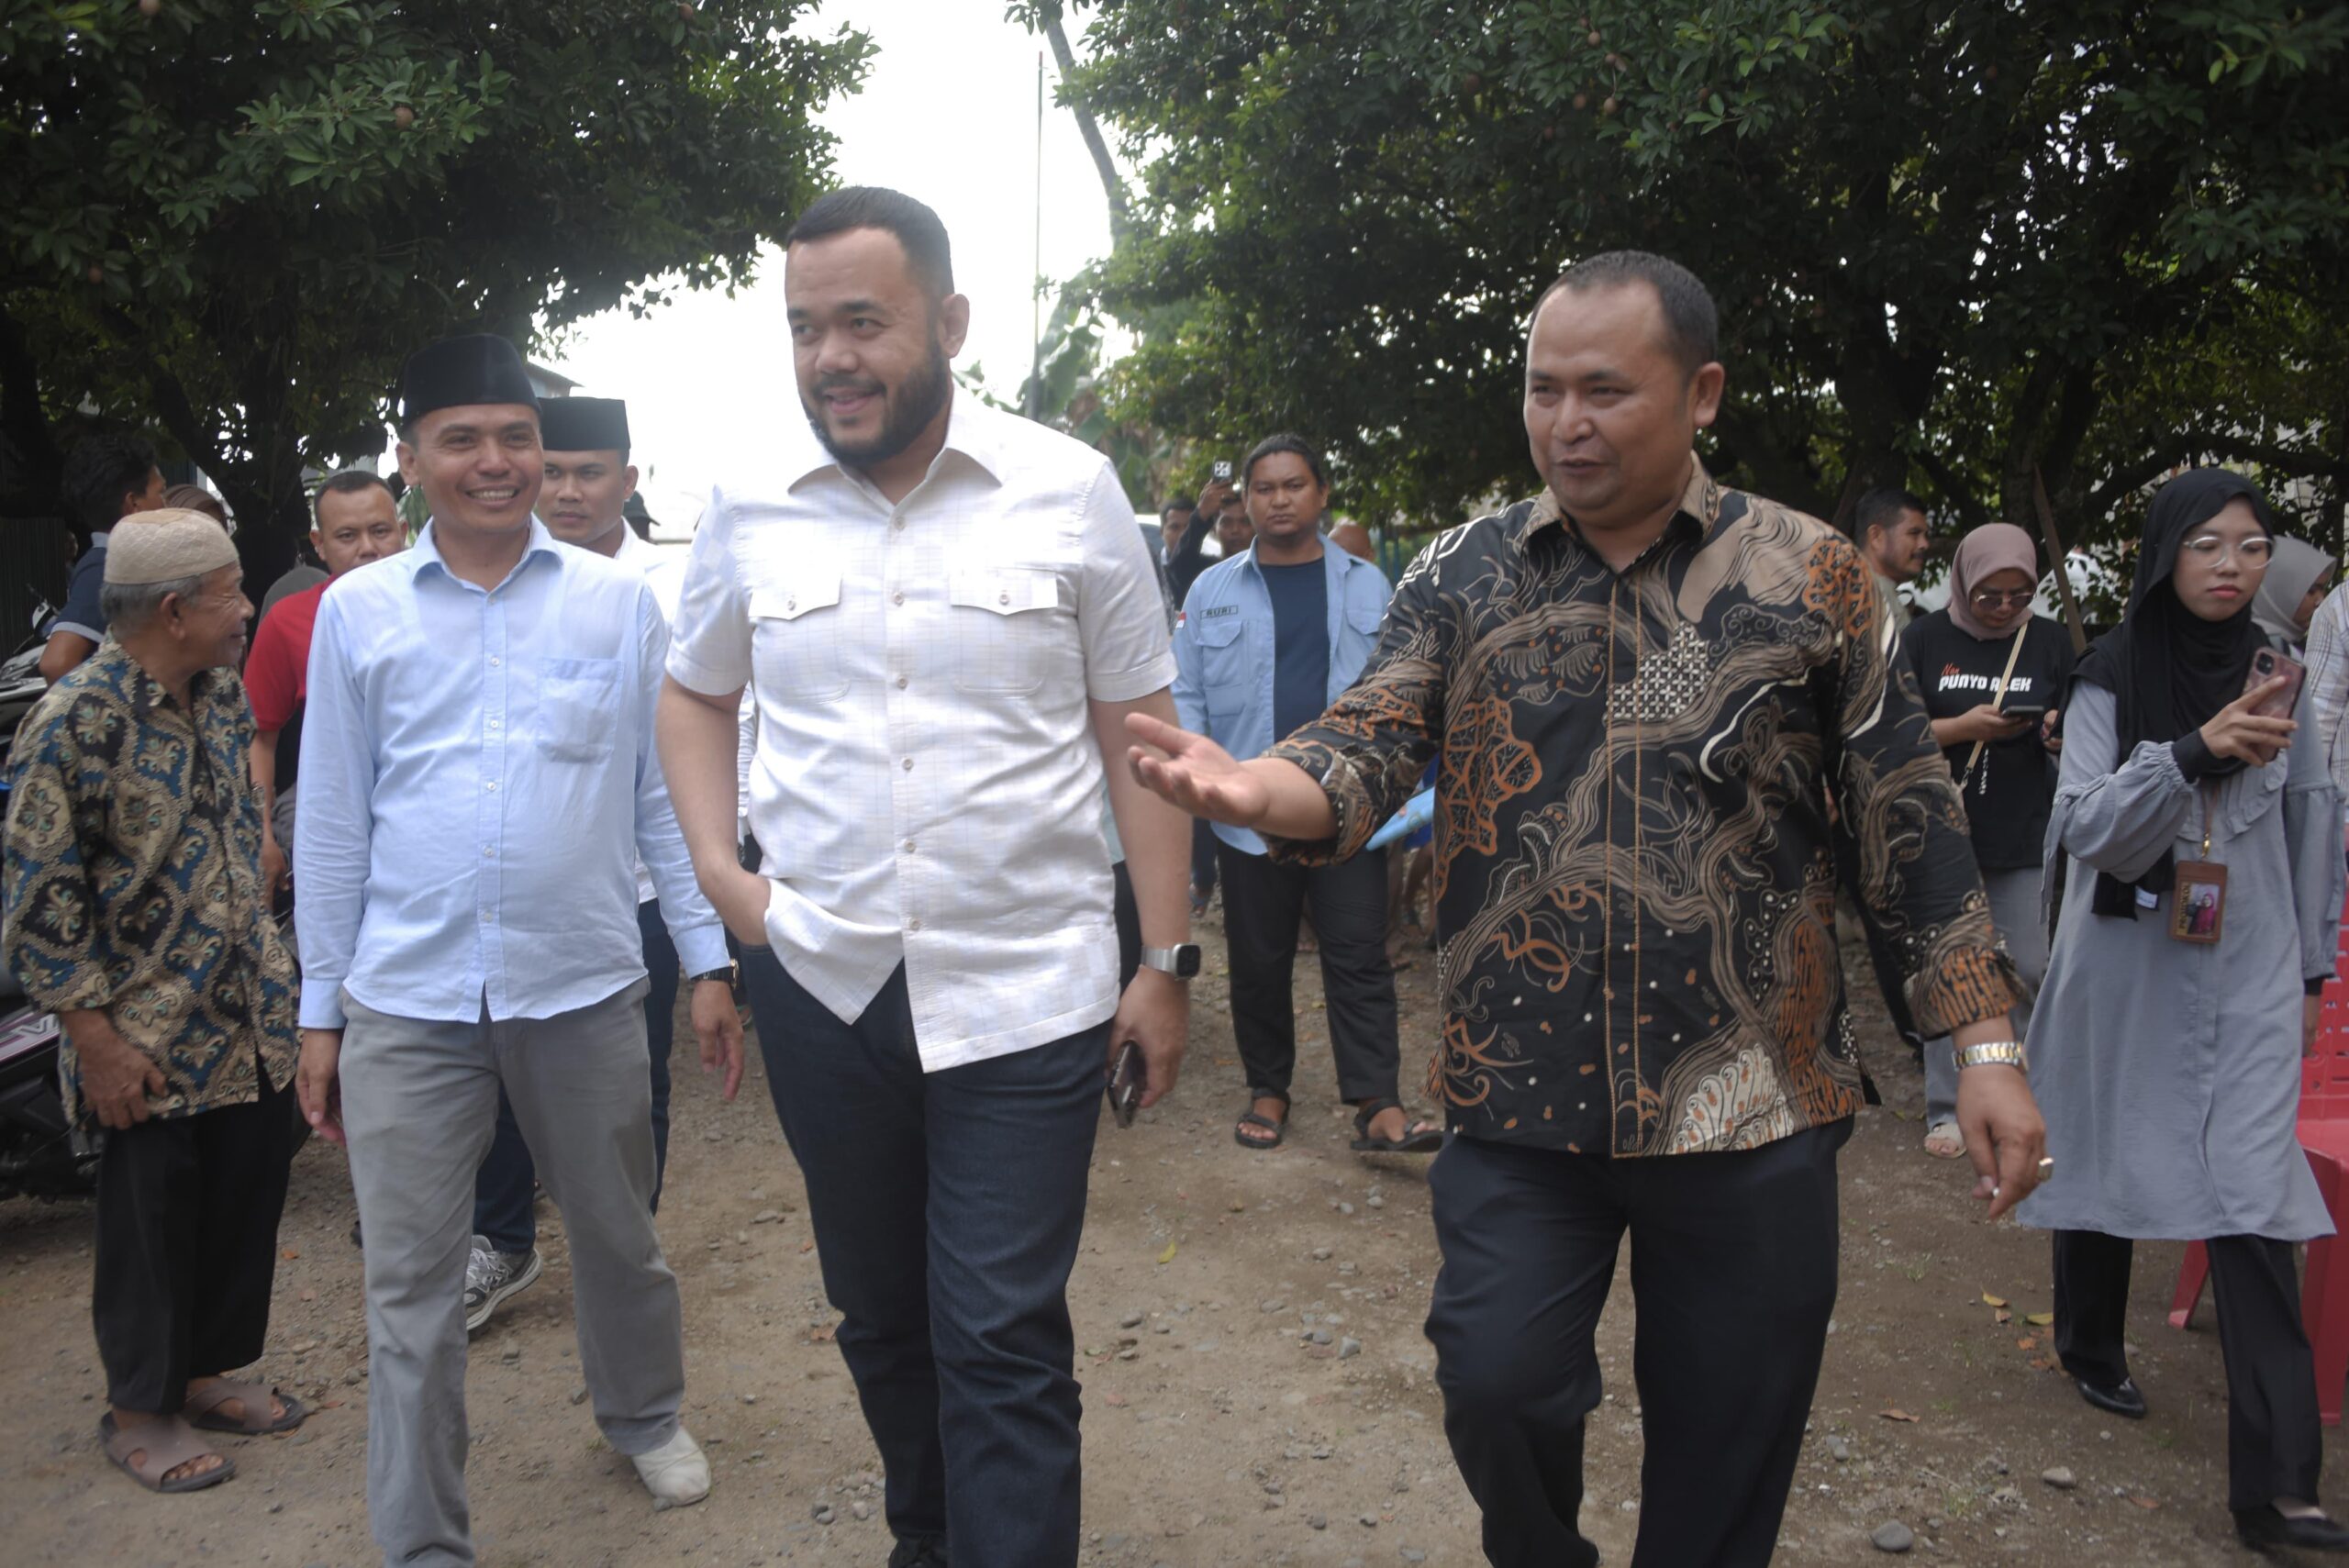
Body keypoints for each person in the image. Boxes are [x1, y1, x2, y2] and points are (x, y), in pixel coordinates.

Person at [1124, 250, 2047, 1568]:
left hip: (1752, 1097)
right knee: (1496, 1382)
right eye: (1545, 389)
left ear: (1703, 391)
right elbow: (1369, 737)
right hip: (1518, 1095)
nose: (1568, 421)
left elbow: (1910, 818)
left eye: (1606, 390)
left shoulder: (1814, 574)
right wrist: (1260, 788)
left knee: (1730, 1442)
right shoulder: (1463, 571)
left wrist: (1988, 1049)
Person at [657, 186, 1194, 1568]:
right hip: (824, 985)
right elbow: (695, 694)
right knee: (882, 1317)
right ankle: (928, 1536)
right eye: (803, 328)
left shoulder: (1066, 490)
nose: (831, 355)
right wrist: (724, 877)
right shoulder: (747, 506)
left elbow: (1140, 740)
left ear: (947, 322)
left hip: (1027, 993)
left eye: (862, 320)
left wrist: (1165, 960)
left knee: (1002, 1330)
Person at [292, 334, 740, 1562]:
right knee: (412, 1289)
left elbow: (664, 794)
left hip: (584, 979)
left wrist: (704, 957)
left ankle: (643, 1412)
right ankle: (423, 1536)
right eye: (463, 439)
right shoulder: (356, 613)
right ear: (412, 459)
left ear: (544, 455)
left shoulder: (615, 605)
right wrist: (318, 1013)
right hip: (406, 997)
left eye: (515, 437)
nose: (495, 462)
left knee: (617, 1233)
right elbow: (332, 814)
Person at [2018, 469, 2349, 1555]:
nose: (2229, 566)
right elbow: (2084, 828)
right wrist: (2196, 750)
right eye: (2206, 544)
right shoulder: (2109, 673)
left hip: (2247, 964)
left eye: (2250, 548)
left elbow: (2308, 827)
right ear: (2166, 553)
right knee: (2106, 1145)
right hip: (2128, 960)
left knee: (2253, 1199)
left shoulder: (2281, 676)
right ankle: (2089, 1339)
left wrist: (2306, 976)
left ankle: (2280, 1489)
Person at [3, 511, 306, 1495]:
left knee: (240, 1196)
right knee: (151, 1221)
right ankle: (140, 1407)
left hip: (244, 1016)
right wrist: (93, 1040)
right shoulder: (74, 720)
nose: (247, 606)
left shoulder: (217, 696)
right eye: (229, 589)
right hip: (142, 1033)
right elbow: (38, 897)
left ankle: (204, 1369)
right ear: (174, 610)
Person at [463, 394, 729, 1333]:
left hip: (644, 885)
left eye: (590, 471)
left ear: (628, 478)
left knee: (631, 1081)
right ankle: (500, 1238)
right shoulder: (484, 578)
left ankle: (622, 1247)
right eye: (556, 468)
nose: (568, 490)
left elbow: (728, 716)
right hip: (514, 886)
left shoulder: (680, 581)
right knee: (492, 1067)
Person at [1173, 431, 1435, 1155]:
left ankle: (1378, 1102)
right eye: (1264, 488)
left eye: (1294, 485)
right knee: (1259, 958)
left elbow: (1394, 690)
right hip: (1247, 809)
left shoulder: (1367, 584)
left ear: (1320, 494)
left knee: (1358, 952)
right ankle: (1269, 1087)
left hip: (1342, 809)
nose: (1279, 499)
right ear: (1245, 500)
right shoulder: (1211, 591)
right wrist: (1212, 783)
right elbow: (1187, 692)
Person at [1900, 523, 2073, 1158]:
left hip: (2024, 826)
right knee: (1950, 966)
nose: (2003, 607)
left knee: (2027, 966)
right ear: (1964, 581)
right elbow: (1893, 728)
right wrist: (1964, 726)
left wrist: (2055, 730)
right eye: (1989, 595)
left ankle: (2013, 1093)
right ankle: (1947, 1105)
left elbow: (2075, 718)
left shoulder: (2049, 641)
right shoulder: (1924, 639)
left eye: (2018, 593)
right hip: (1941, 830)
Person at [243, 471, 406, 927]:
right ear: (319, 543)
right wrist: (263, 835)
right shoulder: (289, 621)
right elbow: (262, 737)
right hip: (330, 819)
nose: (368, 549)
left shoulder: (447, 607)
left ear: (403, 532)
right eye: (347, 536)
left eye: (380, 531)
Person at [39, 432, 169, 684]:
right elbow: (56, 663)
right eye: (161, 492)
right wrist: (106, 717)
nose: (167, 504)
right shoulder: (105, 567)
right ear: (134, 504)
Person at [1854, 485, 1930, 631]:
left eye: (1925, 536)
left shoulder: (1853, 586)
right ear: (1876, 536)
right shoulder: (1873, 595)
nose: (1924, 544)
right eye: (1914, 533)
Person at [2252, 536, 2334, 657]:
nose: (2320, 601)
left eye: (2323, 589)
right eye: (2311, 591)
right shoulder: (2251, 649)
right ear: (2279, 591)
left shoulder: (2290, 646)